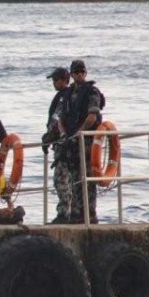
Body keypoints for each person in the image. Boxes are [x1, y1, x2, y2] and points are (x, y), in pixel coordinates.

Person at [55, 59, 105, 223]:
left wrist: (80, 133)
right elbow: (60, 118)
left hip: (86, 140)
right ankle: (76, 214)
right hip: (70, 141)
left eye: (82, 71)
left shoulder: (91, 92)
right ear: (71, 73)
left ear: (85, 73)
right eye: (76, 72)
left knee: (87, 179)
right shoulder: (67, 94)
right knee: (74, 177)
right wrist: (64, 135)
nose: (79, 74)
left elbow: (92, 116)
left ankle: (89, 214)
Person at [42, 67, 74, 223]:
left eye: (56, 80)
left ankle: (64, 214)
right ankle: (72, 212)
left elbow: (57, 119)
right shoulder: (68, 96)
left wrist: (49, 137)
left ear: (64, 80)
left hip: (63, 144)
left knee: (61, 180)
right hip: (66, 143)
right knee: (68, 179)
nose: (54, 83)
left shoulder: (64, 97)